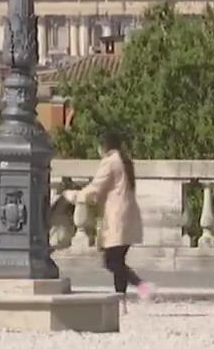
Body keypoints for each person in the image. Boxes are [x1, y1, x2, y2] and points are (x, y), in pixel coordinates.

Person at [63, 131, 154, 309]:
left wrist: (73, 196)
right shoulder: (125, 161)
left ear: (103, 147)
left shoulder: (110, 162)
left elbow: (95, 189)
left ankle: (142, 286)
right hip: (128, 217)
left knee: (111, 261)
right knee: (118, 261)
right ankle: (122, 303)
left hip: (116, 219)